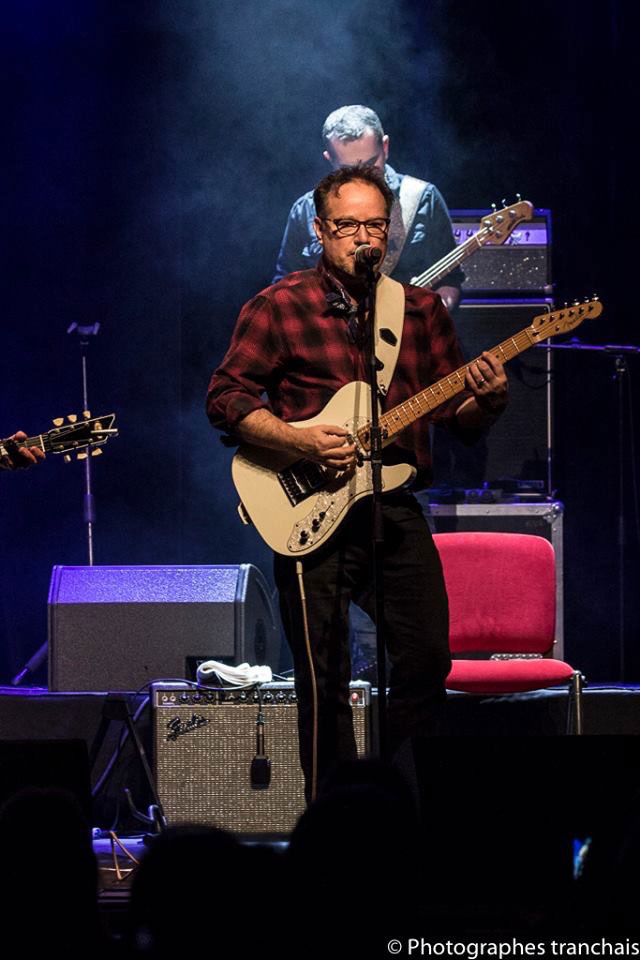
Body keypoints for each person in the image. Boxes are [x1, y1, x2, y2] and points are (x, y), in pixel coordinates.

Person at [207, 163, 508, 801]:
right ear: (321, 230)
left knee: (427, 657)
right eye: (347, 226)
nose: (363, 238)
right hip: (305, 509)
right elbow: (226, 398)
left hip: (391, 505)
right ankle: (331, 822)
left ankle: (385, 795)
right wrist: (298, 438)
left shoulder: (419, 310)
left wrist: (487, 400)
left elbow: (460, 421)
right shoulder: (281, 304)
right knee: (323, 674)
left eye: (375, 225)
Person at [272, 104, 463, 312]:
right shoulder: (305, 210)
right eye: (348, 169)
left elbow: (450, 281)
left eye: (372, 164)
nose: (363, 177)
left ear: (386, 147)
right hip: (330, 340)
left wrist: (432, 318)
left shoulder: (424, 199)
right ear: (329, 159)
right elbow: (284, 287)